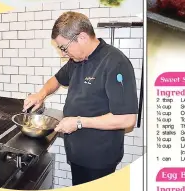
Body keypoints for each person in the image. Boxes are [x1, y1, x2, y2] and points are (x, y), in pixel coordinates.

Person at [23, 11, 139, 186]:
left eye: (63, 48)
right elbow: (56, 79)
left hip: (99, 158)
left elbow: (127, 119)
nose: (62, 54)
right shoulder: (77, 60)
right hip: (77, 152)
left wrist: (78, 122)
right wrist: (41, 94)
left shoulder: (115, 62)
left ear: (82, 37)